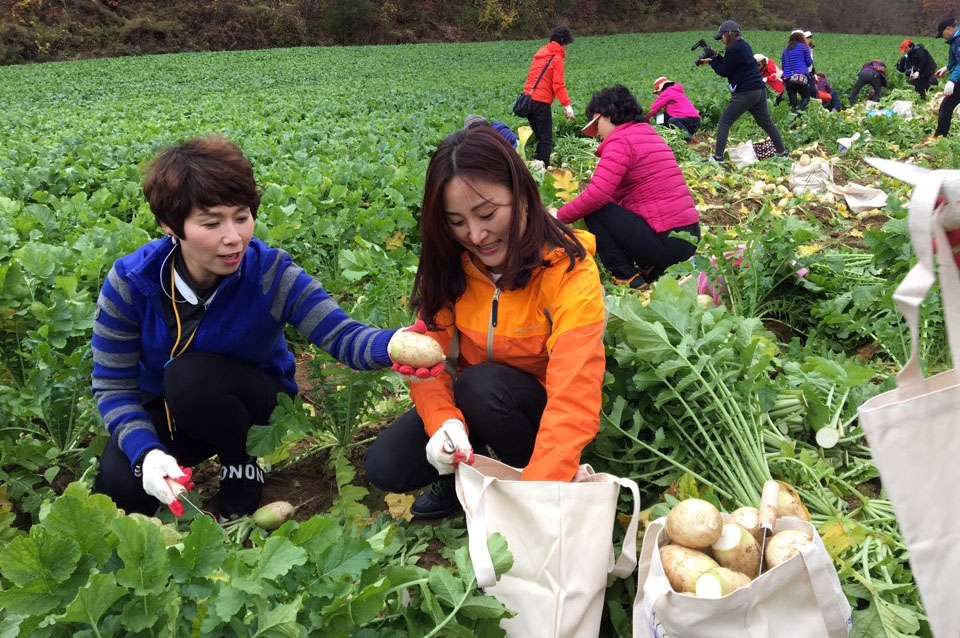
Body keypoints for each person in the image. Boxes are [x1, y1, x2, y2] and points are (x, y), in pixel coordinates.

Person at [91, 135, 436, 521]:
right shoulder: (132, 282)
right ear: (170, 225)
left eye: (241, 217)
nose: (233, 237)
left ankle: (240, 463)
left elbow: (341, 334)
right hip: (170, 410)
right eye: (211, 223)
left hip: (254, 401)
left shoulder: (271, 273)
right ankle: (171, 457)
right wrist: (146, 453)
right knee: (121, 490)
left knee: (189, 377)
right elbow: (113, 385)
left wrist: (392, 344)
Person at [363, 126, 607, 519]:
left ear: (521, 194)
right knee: (384, 466)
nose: (476, 235)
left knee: (483, 385)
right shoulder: (451, 268)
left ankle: (525, 481)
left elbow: (574, 394)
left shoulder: (568, 271)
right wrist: (443, 423)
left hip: (538, 415)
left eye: (487, 214)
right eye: (456, 222)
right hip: (474, 402)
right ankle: (466, 469)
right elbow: (429, 362)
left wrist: (539, 495)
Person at [557, 85, 700, 289]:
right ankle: (651, 266)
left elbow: (597, 196)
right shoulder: (646, 133)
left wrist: (557, 218)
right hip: (687, 237)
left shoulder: (620, 141)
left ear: (607, 115)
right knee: (611, 207)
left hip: (668, 241)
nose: (596, 133)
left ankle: (627, 277)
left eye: (596, 125)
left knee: (596, 210)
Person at [700, 19, 787, 163]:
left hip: (746, 92)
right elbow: (732, 65)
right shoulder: (743, 46)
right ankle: (782, 153)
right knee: (766, 122)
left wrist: (711, 61)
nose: (721, 39)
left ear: (729, 34)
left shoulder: (733, 49)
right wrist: (716, 58)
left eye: (722, 36)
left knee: (724, 121)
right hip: (758, 90)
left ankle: (718, 158)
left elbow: (724, 71)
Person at [521, 26, 576, 167]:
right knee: (546, 139)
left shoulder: (540, 54)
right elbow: (558, 85)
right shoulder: (556, 58)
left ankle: (535, 166)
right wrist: (567, 106)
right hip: (541, 102)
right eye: (567, 45)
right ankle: (543, 170)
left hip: (527, 101)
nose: (567, 48)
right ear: (562, 42)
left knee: (539, 137)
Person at [645, 76, 702, 141]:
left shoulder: (667, 92)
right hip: (694, 121)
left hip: (689, 121)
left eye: (658, 92)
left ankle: (689, 139)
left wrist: (644, 120)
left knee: (672, 120)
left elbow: (653, 109)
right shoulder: (676, 92)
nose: (658, 94)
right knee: (662, 115)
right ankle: (661, 132)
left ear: (661, 89)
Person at [934, 17, 960, 138]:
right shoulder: (955, 40)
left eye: (942, 33)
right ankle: (940, 135)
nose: (942, 37)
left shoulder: (958, 40)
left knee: (946, 105)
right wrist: (947, 68)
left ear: (948, 29)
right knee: (947, 106)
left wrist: (952, 80)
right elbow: (955, 60)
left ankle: (940, 136)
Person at [781, 31, 813, 112]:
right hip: (801, 77)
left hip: (788, 78)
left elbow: (784, 65)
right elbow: (809, 63)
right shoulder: (804, 46)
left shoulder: (786, 50)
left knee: (792, 102)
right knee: (805, 98)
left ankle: (792, 117)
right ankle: (798, 113)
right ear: (802, 37)